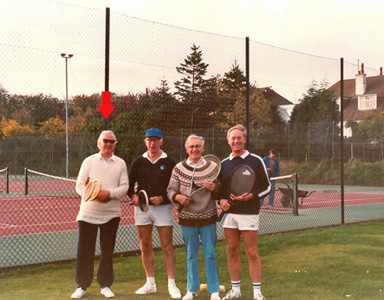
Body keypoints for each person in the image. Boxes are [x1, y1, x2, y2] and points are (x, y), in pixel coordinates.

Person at [71, 130, 129, 299]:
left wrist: (109, 194)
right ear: (99, 143)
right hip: (87, 214)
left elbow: (124, 187)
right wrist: (95, 195)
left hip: (111, 215)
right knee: (85, 251)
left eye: (112, 141)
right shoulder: (88, 161)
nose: (108, 144)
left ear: (115, 144)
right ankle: (82, 286)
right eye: (105, 141)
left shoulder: (120, 163)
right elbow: (80, 186)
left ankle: (105, 285)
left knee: (107, 251)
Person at [218, 125, 270, 300]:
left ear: (244, 139)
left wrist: (252, 196)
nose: (236, 141)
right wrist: (221, 201)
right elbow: (219, 190)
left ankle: (257, 293)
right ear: (228, 140)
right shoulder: (224, 164)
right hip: (230, 216)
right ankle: (236, 290)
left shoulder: (255, 160)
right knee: (232, 250)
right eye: (233, 138)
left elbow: (267, 186)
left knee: (252, 252)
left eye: (239, 138)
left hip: (249, 213)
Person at [128, 128, 181, 299]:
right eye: (149, 140)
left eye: (155, 140)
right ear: (145, 142)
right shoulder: (138, 162)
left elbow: (176, 187)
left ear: (161, 141)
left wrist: (164, 199)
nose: (152, 143)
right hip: (142, 209)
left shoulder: (171, 162)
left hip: (163, 209)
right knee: (145, 245)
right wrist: (134, 196)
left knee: (167, 246)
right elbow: (129, 186)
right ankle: (150, 283)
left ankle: (171, 284)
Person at [167, 134, 221, 300]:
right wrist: (178, 198)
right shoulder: (178, 168)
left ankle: (214, 290)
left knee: (210, 253)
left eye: (197, 146)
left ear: (203, 148)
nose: (194, 149)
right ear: (186, 149)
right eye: (191, 147)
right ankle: (192, 289)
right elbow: (170, 191)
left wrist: (214, 189)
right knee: (191, 254)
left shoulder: (212, 167)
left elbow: (220, 190)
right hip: (187, 217)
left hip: (208, 216)